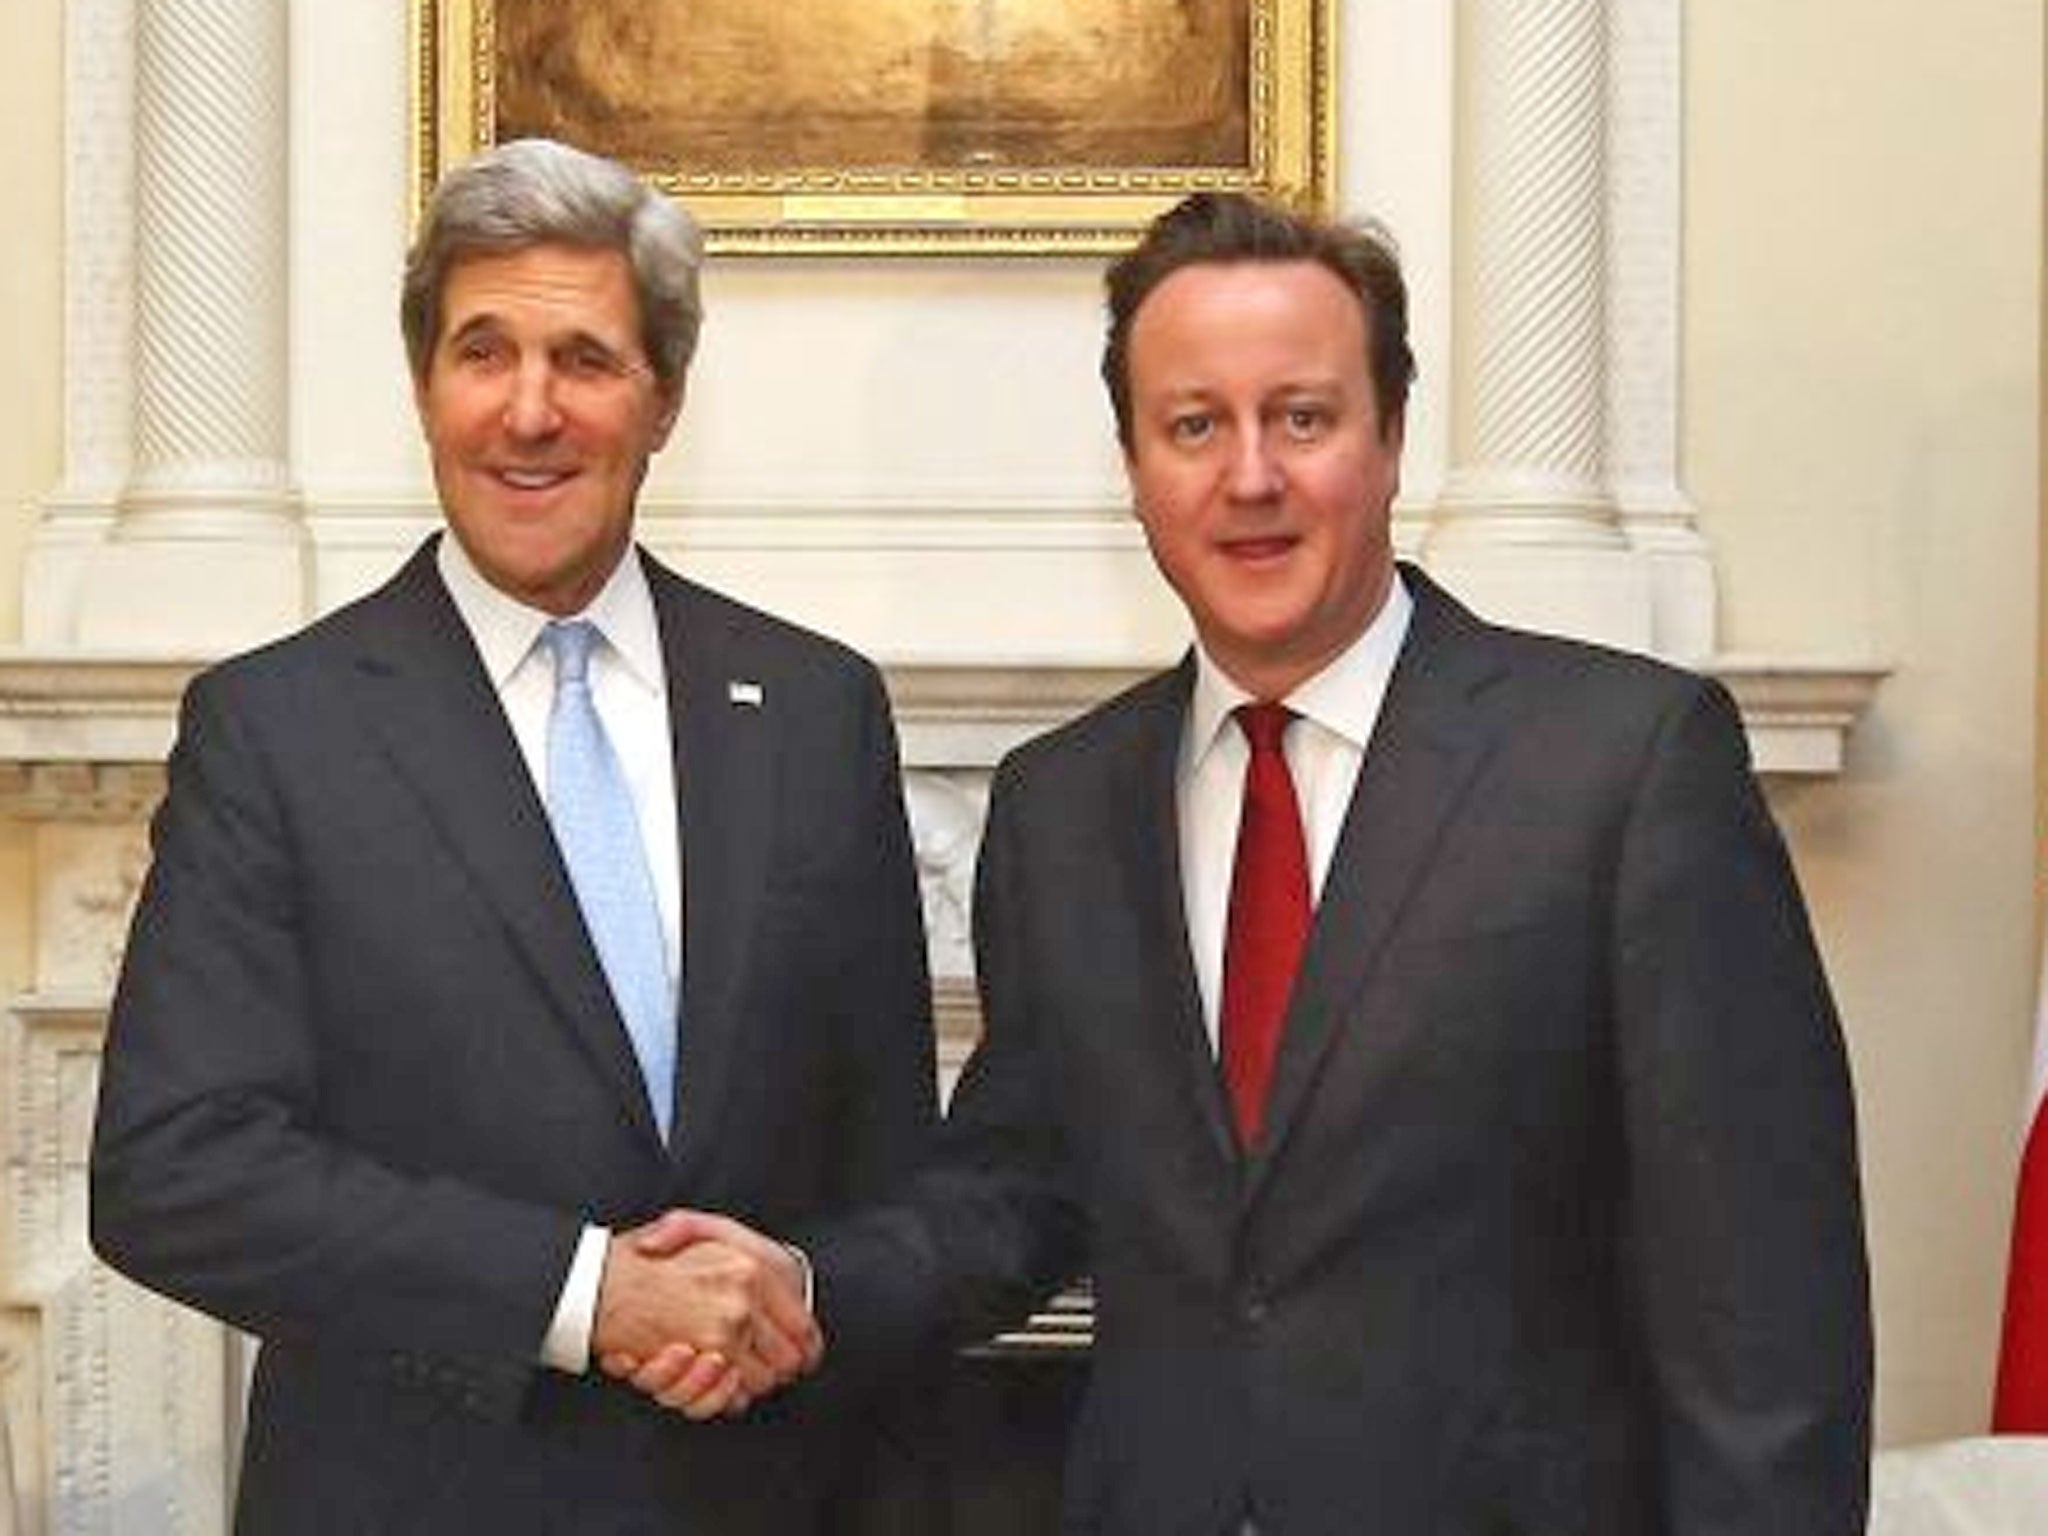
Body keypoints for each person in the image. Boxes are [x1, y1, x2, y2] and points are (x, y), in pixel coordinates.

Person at [636, 190, 1875, 1533]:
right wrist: (808, 1284)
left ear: (1392, 438)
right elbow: (1017, 1190)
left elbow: (1766, 1317)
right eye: (1193, 425)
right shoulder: (1063, 806)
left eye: (1302, 416)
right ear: (1134, 468)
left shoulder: (1622, 767)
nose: (1249, 478)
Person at [88, 137, 936, 1534]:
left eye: (587, 361)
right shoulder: (276, 729)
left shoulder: (815, 709)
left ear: (661, 400)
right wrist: (585, 1296)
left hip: (768, 1495)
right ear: (426, 385)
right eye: (485, 353)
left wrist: (799, 1289)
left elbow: (890, 1166)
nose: (529, 412)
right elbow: (175, 1168)